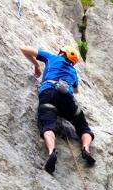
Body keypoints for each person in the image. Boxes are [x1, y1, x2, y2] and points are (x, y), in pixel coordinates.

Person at [20, 45, 96, 174]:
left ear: (62, 53)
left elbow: (24, 49)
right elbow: (76, 91)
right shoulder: (73, 72)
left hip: (48, 93)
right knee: (84, 128)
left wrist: (36, 65)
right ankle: (86, 149)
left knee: (48, 125)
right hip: (66, 98)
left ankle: (51, 152)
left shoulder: (52, 58)